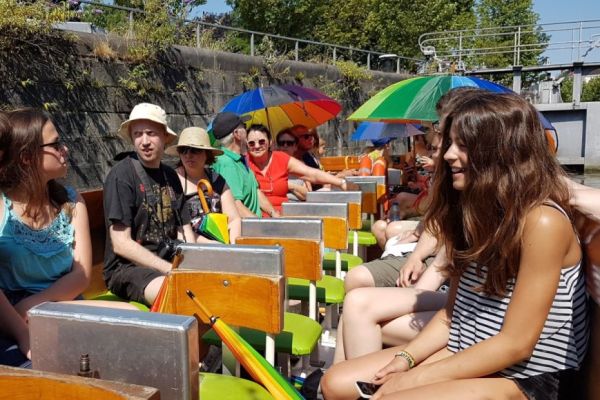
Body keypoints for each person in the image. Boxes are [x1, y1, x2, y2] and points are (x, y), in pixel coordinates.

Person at [322, 92, 588, 400]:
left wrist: (413, 379)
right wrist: (405, 359)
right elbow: (451, 313)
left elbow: (516, 344)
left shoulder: (542, 222)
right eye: (449, 143)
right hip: (469, 347)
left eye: (463, 145)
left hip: (528, 377)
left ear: (500, 151)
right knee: (335, 382)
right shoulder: (472, 213)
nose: (448, 155)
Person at [103, 103, 195, 307]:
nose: (144, 142)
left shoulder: (170, 175)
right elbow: (121, 244)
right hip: (127, 269)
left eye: (151, 133)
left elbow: (185, 231)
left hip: (168, 261)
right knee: (177, 295)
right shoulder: (121, 176)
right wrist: (169, 269)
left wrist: (196, 261)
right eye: (138, 134)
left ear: (164, 137)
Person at [245, 124, 350, 213]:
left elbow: (311, 173)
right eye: (251, 143)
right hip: (255, 217)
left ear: (270, 142)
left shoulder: (281, 158)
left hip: (284, 215)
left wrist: (341, 182)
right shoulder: (243, 163)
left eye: (262, 142)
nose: (257, 146)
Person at [166, 127, 241, 244]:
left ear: (207, 154)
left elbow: (233, 219)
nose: (188, 155)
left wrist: (232, 246)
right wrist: (210, 244)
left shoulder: (217, 179)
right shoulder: (172, 181)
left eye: (194, 150)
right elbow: (176, 228)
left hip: (222, 246)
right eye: (183, 150)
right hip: (188, 247)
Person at [211, 112, 279, 218]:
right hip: (246, 227)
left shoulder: (239, 159)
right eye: (244, 127)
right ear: (237, 134)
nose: (247, 132)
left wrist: (273, 213)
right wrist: (259, 224)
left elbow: (256, 192)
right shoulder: (226, 163)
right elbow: (235, 205)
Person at [276, 127, 311, 201]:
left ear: (295, 146)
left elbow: (308, 195)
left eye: (289, 143)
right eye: (282, 143)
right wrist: (297, 189)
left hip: (296, 205)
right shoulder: (271, 166)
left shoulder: (301, 167)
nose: (285, 146)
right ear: (278, 146)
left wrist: (288, 185)